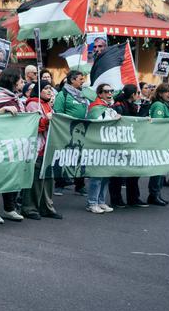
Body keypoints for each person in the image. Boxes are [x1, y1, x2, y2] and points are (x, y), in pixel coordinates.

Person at [0, 71, 25, 224]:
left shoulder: (15, 97)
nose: (22, 82)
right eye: (20, 80)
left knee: (10, 175)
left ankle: (9, 208)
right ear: (12, 81)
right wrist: (3, 110)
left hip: (13, 143)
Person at [21, 83, 61, 219]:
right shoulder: (33, 104)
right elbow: (32, 126)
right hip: (37, 147)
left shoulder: (47, 104)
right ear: (38, 91)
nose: (49, 91)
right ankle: (29, 208)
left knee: (48, 179)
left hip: (48, 147)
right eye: (45, 89)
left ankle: (46, 207)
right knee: (35, 179)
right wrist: (46, 119)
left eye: (50, 89)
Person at [109, 85, 148, 208]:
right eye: (137, 93)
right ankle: (116, 199)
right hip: (120, 143)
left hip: (131, 142)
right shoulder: (118, 106)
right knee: (117, 173)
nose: (139, 95)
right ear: (132, 95)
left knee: (134, 171)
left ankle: (133, 198)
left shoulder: (132, 105)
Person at [52, 69, 90, 196]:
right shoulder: (62, 94)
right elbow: (58, 113)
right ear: (72, 80)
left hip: (81, 131)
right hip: (66, 131)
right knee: (62, 157)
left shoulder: (83, 94)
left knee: (80, 158)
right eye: (80, 79)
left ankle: (80, 186)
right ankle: (59, 184)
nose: (83, 81)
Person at [82, 83, 118, 214]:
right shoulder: (95, 108)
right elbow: (96, 125)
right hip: (97, 147)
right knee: (96, 176)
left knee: (105, 175)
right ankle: (92, 203)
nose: (110, 93)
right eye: (106, 91)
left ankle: (101, 201)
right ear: (100, 94)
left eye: (111, 91)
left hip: (108, 147)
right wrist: (114, 120)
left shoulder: (110, 108)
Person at [147, 83, 169, 206]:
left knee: (161, 170)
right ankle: (153, 195)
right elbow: (156, 122)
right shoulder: (159, 105)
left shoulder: (165, 105)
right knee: (157, 170)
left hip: (164, 141)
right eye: (167, 91)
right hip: (157, 142)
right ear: (160, 94)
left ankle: (157, 194)